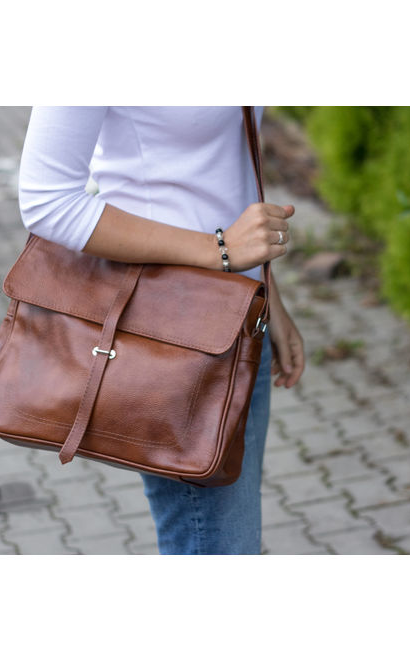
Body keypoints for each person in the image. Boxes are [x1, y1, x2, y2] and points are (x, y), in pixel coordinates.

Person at [17, 106, 305, 554]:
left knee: (226, 538)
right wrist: (220, 249)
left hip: (241, 317)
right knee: (216, 543)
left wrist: (270, 294)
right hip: (170, 332)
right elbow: (47, 201)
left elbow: (227, 168)